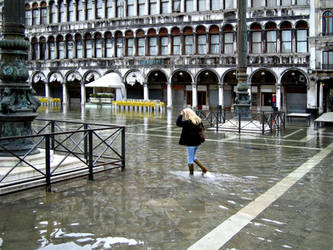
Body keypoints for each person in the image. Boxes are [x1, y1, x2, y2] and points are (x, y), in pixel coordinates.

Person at [176, 108, 208, 175]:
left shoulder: (188, 122)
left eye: (185, 114)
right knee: (193, 157)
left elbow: (178, 123)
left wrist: (181, 114)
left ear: (187, 114)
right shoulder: (199, 121)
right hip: (198, 143)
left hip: (191, 144)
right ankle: (203, 169)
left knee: (190, 159)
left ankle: (191, 175)